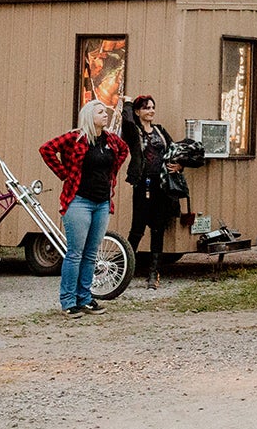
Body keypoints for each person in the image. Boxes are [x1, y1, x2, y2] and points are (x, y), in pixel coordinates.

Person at [39, 98, 129, 317]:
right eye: (100, 112)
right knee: (75, 253)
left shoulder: (111, 140)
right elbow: (47, 149)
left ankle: (85, 298)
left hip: (102, 202)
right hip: (79, 201)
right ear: (90, 116)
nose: (105, 115)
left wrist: (111, 178)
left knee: (91, 254)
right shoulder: (75, 138)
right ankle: (68, 302)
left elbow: (124, 151)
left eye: (105, 112)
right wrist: (64, 173)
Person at [121, 94, 183, 289]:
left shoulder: (160, 130)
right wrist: (128, 104)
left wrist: (179, 165)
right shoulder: (134, 131)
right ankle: (124, 272)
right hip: (143, 183)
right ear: (139, 111)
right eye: (146, 108)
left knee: (158, 229)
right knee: (137, 229)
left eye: (153, 107)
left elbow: (174, 150)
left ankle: (153, 275)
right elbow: (127, 121)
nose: (151, 111)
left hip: (161, 184)